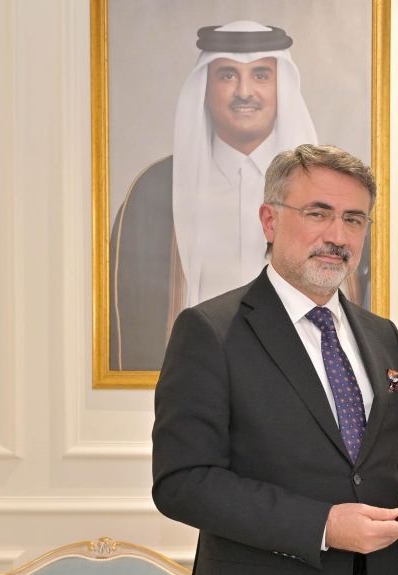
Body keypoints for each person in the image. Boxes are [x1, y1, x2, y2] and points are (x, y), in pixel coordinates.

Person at [152, 144, 398, 575]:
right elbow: (183, 483)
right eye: (318, 213)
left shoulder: (381, 335)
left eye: (354, 219)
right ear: (270, 220)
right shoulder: (210, 331)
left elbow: (389, 457)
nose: (337, 235)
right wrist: (323, 525)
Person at [109, 20, 318, 372]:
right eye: (227, 75)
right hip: (195, 383)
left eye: (261, 76)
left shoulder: (323, 192)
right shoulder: (155, 190)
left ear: (281, 87)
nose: (244, 92)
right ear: (204, 88)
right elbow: (129, 319)